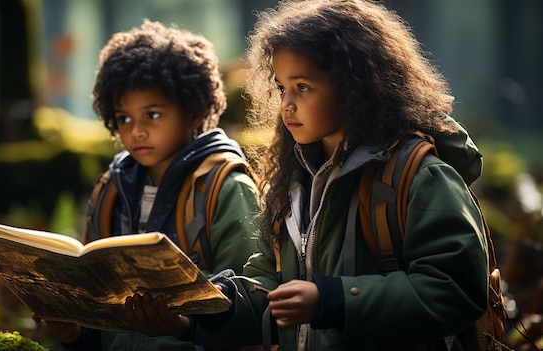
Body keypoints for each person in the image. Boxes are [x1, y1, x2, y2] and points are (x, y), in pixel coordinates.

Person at [123, 1, 490, 350]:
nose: (286, 104)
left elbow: (457, 288)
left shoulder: (419, 176)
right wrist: (192, 320)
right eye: (281, 87)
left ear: (356, 87)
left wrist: (334, 300)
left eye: (302, 87)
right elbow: (268, 288)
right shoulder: (292, 181)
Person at [36, 19, 260, 351]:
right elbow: (101, 315)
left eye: (152, 115)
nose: (136, 131)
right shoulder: (111, 189)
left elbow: (252, 307)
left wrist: (184, 326)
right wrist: (72, 331)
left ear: (195, 111)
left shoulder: (226, 188)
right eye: (124, 118)